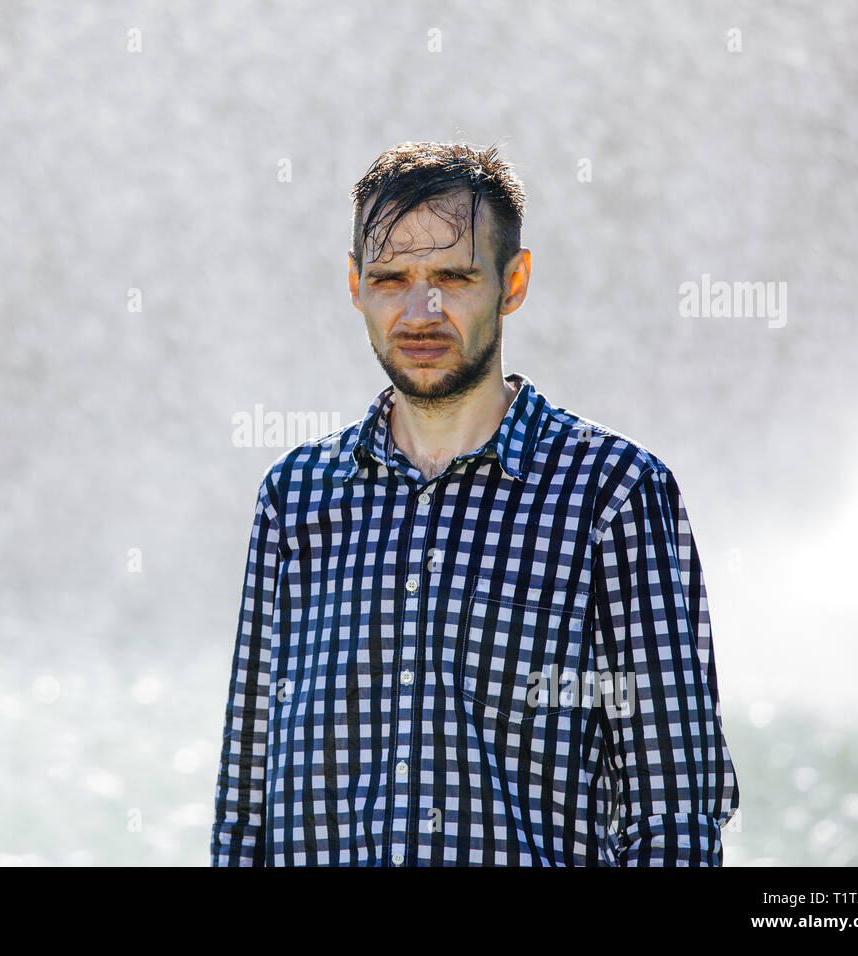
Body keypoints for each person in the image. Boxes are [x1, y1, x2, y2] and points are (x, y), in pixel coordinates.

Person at [211, 141, 739, 866]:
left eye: (452, 277)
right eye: (391, 278)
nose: (419, 310)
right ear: (354, 285)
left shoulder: (612, 495)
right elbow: (245, 806)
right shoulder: (295, 499)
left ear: (513, 281)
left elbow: (673, 809)